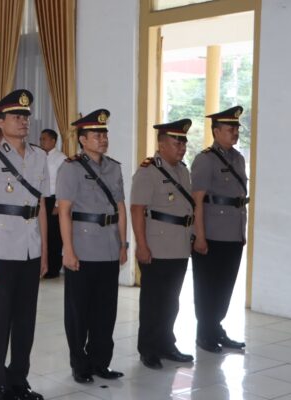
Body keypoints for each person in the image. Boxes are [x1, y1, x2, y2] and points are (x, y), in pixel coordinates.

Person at [0, 89, 49, 400]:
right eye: (16, 116)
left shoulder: (39, 156)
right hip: (2, 250)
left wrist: (44, 251)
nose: (23, 121)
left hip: (31, 248)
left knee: (26, 319)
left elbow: (41, 205)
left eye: (26, 116)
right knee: (0, 319)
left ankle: (20, 378)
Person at [56, 109, 128, 383]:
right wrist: (68, 250)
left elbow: (120, 207)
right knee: (79, 311)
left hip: (109, 246)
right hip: (83, 248)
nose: (103, 138)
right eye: (97, 134)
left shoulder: (114, 167)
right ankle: (80, 364)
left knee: (106, 310)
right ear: (83, 139)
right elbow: (64, 211)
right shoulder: (71, 168)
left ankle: (100, 362)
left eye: (105, 133)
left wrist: (123, 244)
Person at [130, 119, 195, 370]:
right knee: (152, 302)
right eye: (176, 142)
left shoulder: (183, 171)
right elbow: (138, 210)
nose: (181, 147)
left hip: (178, 246)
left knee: (171, 301)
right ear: (161, 144)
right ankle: (148, 348)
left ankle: (167, 343)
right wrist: (141, 245)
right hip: (156, 247)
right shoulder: (148, 171)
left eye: (184, 142)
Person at [191, 106, 248, 353]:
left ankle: (216, 328)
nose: (234, 132)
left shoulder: (238, 158)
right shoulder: (205, 160)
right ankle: (205, 333)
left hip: (233, 233)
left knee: (225, 285)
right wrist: (199, 235)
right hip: (211, 234)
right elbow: (197, 200)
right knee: (207, 286)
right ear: (216, 132)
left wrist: (241, 232)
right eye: (229, 129)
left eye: (236, 128)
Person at [39, 128, 66, 278]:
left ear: (53, 141)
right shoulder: (39, 156)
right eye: (40, 139)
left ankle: (53, 268)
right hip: (41, 199)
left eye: (44, 139)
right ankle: (43, 265)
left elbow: (62, 183)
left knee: (54, 236)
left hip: (54, 199)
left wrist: (57, 205)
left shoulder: (61, 158)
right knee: (42, 234)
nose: (41, 142)